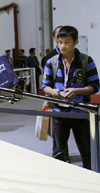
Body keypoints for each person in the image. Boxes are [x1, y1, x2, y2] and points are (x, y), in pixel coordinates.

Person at [42, 26, 100, 170]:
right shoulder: (52, 62)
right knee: (59, 153)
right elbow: (45, 86)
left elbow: (95, 86)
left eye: (67, 42)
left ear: (75, 42)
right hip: (58, 113)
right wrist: (53, 91)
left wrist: (77, 91)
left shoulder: (86, 61)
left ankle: (92, 180)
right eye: (60, 42)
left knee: (87, 151)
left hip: (80, 113)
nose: (62, 46)